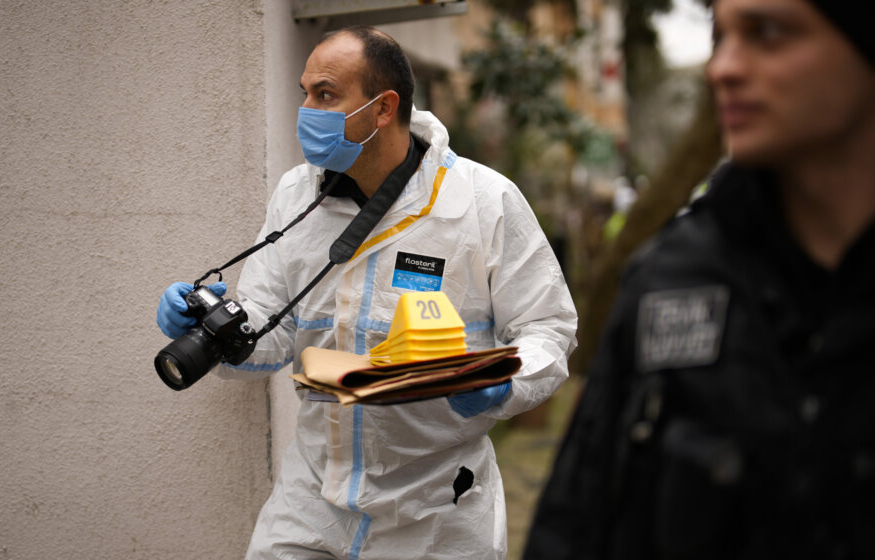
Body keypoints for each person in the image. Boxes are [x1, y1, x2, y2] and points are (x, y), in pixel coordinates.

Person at [156, 26, 577, 560]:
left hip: (435, 513)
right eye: (305, 93)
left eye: (326, 94)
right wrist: (214, 334)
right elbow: (272, 329)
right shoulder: (295, 194)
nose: (307, 108)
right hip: (312, 500)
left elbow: (549, 328)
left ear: (383, 109)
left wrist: (497, 379)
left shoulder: (482, 200)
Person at [524, 0, 875, 558]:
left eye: (769, 32)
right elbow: (574, 525)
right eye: (720, 37)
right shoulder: (670, 279)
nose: (723, 68)